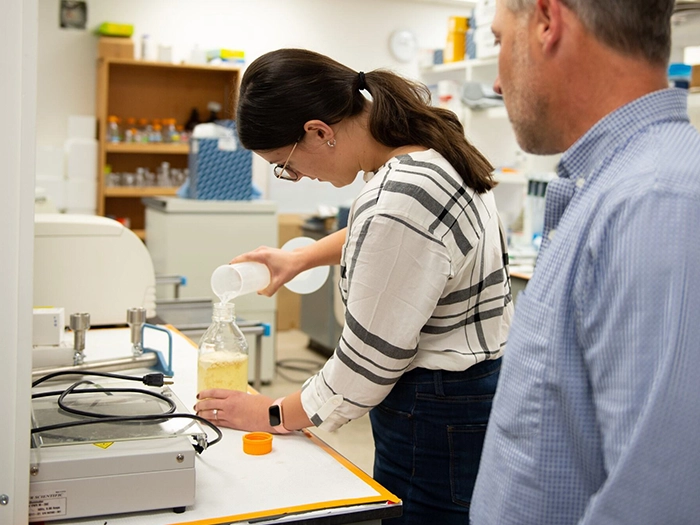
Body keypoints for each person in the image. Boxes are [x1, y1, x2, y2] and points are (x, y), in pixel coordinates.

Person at [193, 48, 513, 523]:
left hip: (434, 409)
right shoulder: (428, 151)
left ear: (319, 131)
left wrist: (272, 414)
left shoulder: (397, 199)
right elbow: (403, 235)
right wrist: (300, 256)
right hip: (472, 391)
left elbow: (363, 370)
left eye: (286, 164)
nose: (295, 177)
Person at [470, 1, 700, 524]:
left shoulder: (657, 202)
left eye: (502, 41)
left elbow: (656, 502)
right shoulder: (611, 186)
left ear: (549, 22)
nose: (500, 84)